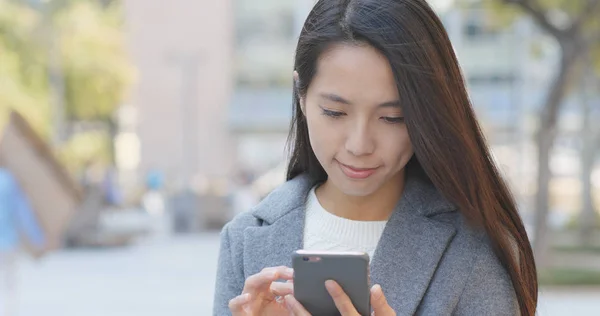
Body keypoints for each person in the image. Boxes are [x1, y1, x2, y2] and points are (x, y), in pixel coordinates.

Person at [214, 0, 537, 315]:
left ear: (426, 114)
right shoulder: (243, 241)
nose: (360, 145)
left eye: (392, 117)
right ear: (301, 95)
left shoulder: (473, 250)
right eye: (335, 112)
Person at [0, 167, 46, 316]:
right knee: (9, 282)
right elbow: (22, 211)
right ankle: (8, 311)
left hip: (8, 240)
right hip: (8, 242)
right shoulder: (7, 180)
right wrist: (37, 238)